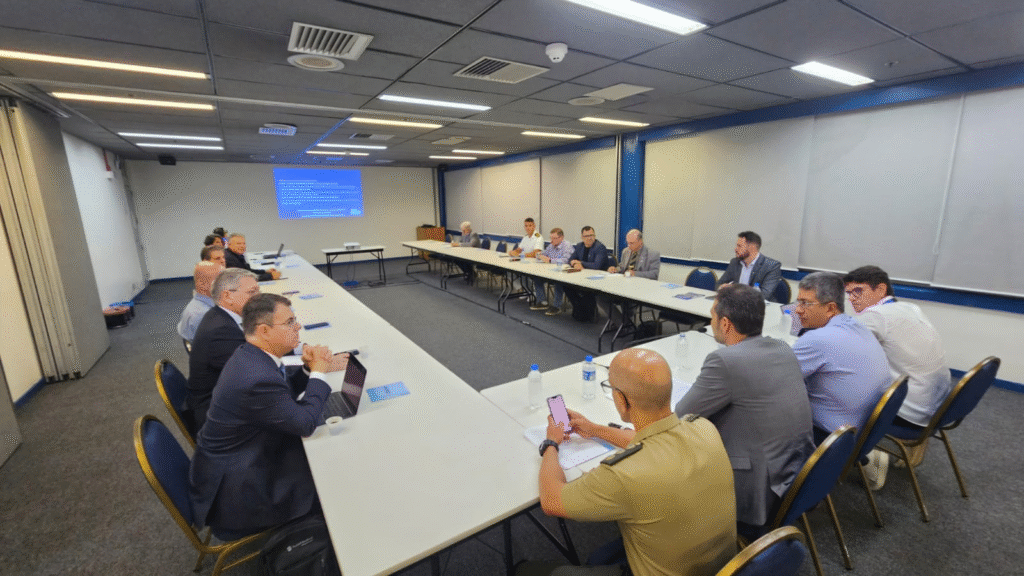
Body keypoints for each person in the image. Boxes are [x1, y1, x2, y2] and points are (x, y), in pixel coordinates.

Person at [518, 348, 736, 576]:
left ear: (622, 400)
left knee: (528, 571)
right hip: (724, 566)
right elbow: (654, 439)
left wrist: (550, 443)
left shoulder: (623, 473)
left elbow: (552, 501)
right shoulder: (704, 428)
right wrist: (595, 429)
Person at [189, 293, 344, 538]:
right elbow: (305, 424)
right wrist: (319, 373)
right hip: (240, 491)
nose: (298, 326)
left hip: (239, 459)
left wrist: (306, 370)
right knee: (334, 478)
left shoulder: (250, 355)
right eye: (290, 322)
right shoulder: (255, 377)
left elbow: (280, 390)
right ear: (264, 331)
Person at [675, 283, 814, 536]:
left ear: (725, 323)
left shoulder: (725, 361)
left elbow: (681, 415)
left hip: (755, 487)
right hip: (796, 471)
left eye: (712, 315)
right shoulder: (782, 348)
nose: (711, 321)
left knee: (672, 455)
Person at [844, 265, 952, 481]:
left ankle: (864, 458)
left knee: (832, 393)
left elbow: (838, 350)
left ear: (880, 289)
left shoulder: (876, 316)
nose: (852, 298)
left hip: (910, 412)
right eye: (849, 293)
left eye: (858, 291)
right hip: (939, 406)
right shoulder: (909, 307)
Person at [792, 272, 891, 447]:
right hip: (862, 430)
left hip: (829, 439)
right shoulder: (857, 325)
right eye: (798, 302)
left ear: (830, 308)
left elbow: (771, 381)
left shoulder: (818, 339)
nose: (798, 310)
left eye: (806, 303)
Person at [187, 268, 259, 434]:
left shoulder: (220, 316)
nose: (259, 297)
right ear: (227, 296)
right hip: (221, 421)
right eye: (252, 292)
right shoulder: (221, 332)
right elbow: (256, 377)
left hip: (225, 400)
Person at [716, 231, 783, 302]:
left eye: (739, 246)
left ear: (752, 247)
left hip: (759, 305)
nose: (735, 249)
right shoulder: (735, 262)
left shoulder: (772, 266)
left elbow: (764, 295)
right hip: (736, 303)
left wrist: (735, 292)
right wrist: (722, 287)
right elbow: (718, 284)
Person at [565, 226, 608, 322]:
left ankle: (590, 313)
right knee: (566, 285)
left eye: (591, 235)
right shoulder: (579, 246)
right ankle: (578, 309)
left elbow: (596, 266)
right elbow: (570, 259)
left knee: (585, 289)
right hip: (582, 276)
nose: (589, 238)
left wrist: (580, 263)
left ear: (595, 236)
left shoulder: (600, 247)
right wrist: (574, 263)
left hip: (597, 278)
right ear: (582, 237)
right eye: (586, 236)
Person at [530, 228, 575, 316]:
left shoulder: (567, 246)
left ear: (561, 237)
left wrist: (550, 260)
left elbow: (566, 260)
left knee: (558, 281)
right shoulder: (551, 246)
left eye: (554, 238)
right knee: (537, 278)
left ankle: (557, 307)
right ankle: (542, 302)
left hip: (563, 273)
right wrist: (539, 255)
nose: (552, 240)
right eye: (551, 238)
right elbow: (543, 254)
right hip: (550, 272)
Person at [176, 261, 222, 342]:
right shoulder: (204, 316)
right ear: (203, 285)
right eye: (220, 281)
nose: (227, 285)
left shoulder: (197, 306)